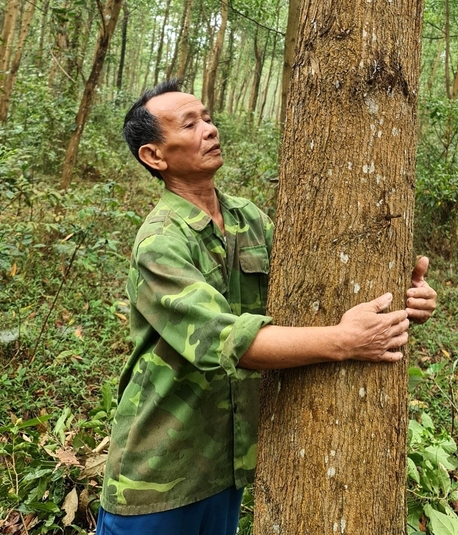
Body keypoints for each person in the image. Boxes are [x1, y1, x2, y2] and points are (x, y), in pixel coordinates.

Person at [97, 79, 437, 535]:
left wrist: (404, 296)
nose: (210, 129)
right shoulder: (160, 242)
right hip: (157, 477)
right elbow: (229, 342)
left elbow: (316, 289)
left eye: (209, 117)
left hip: (228, 468)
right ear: (154, 156)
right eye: (190, 123)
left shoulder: (248, 219)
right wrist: (344, 341)